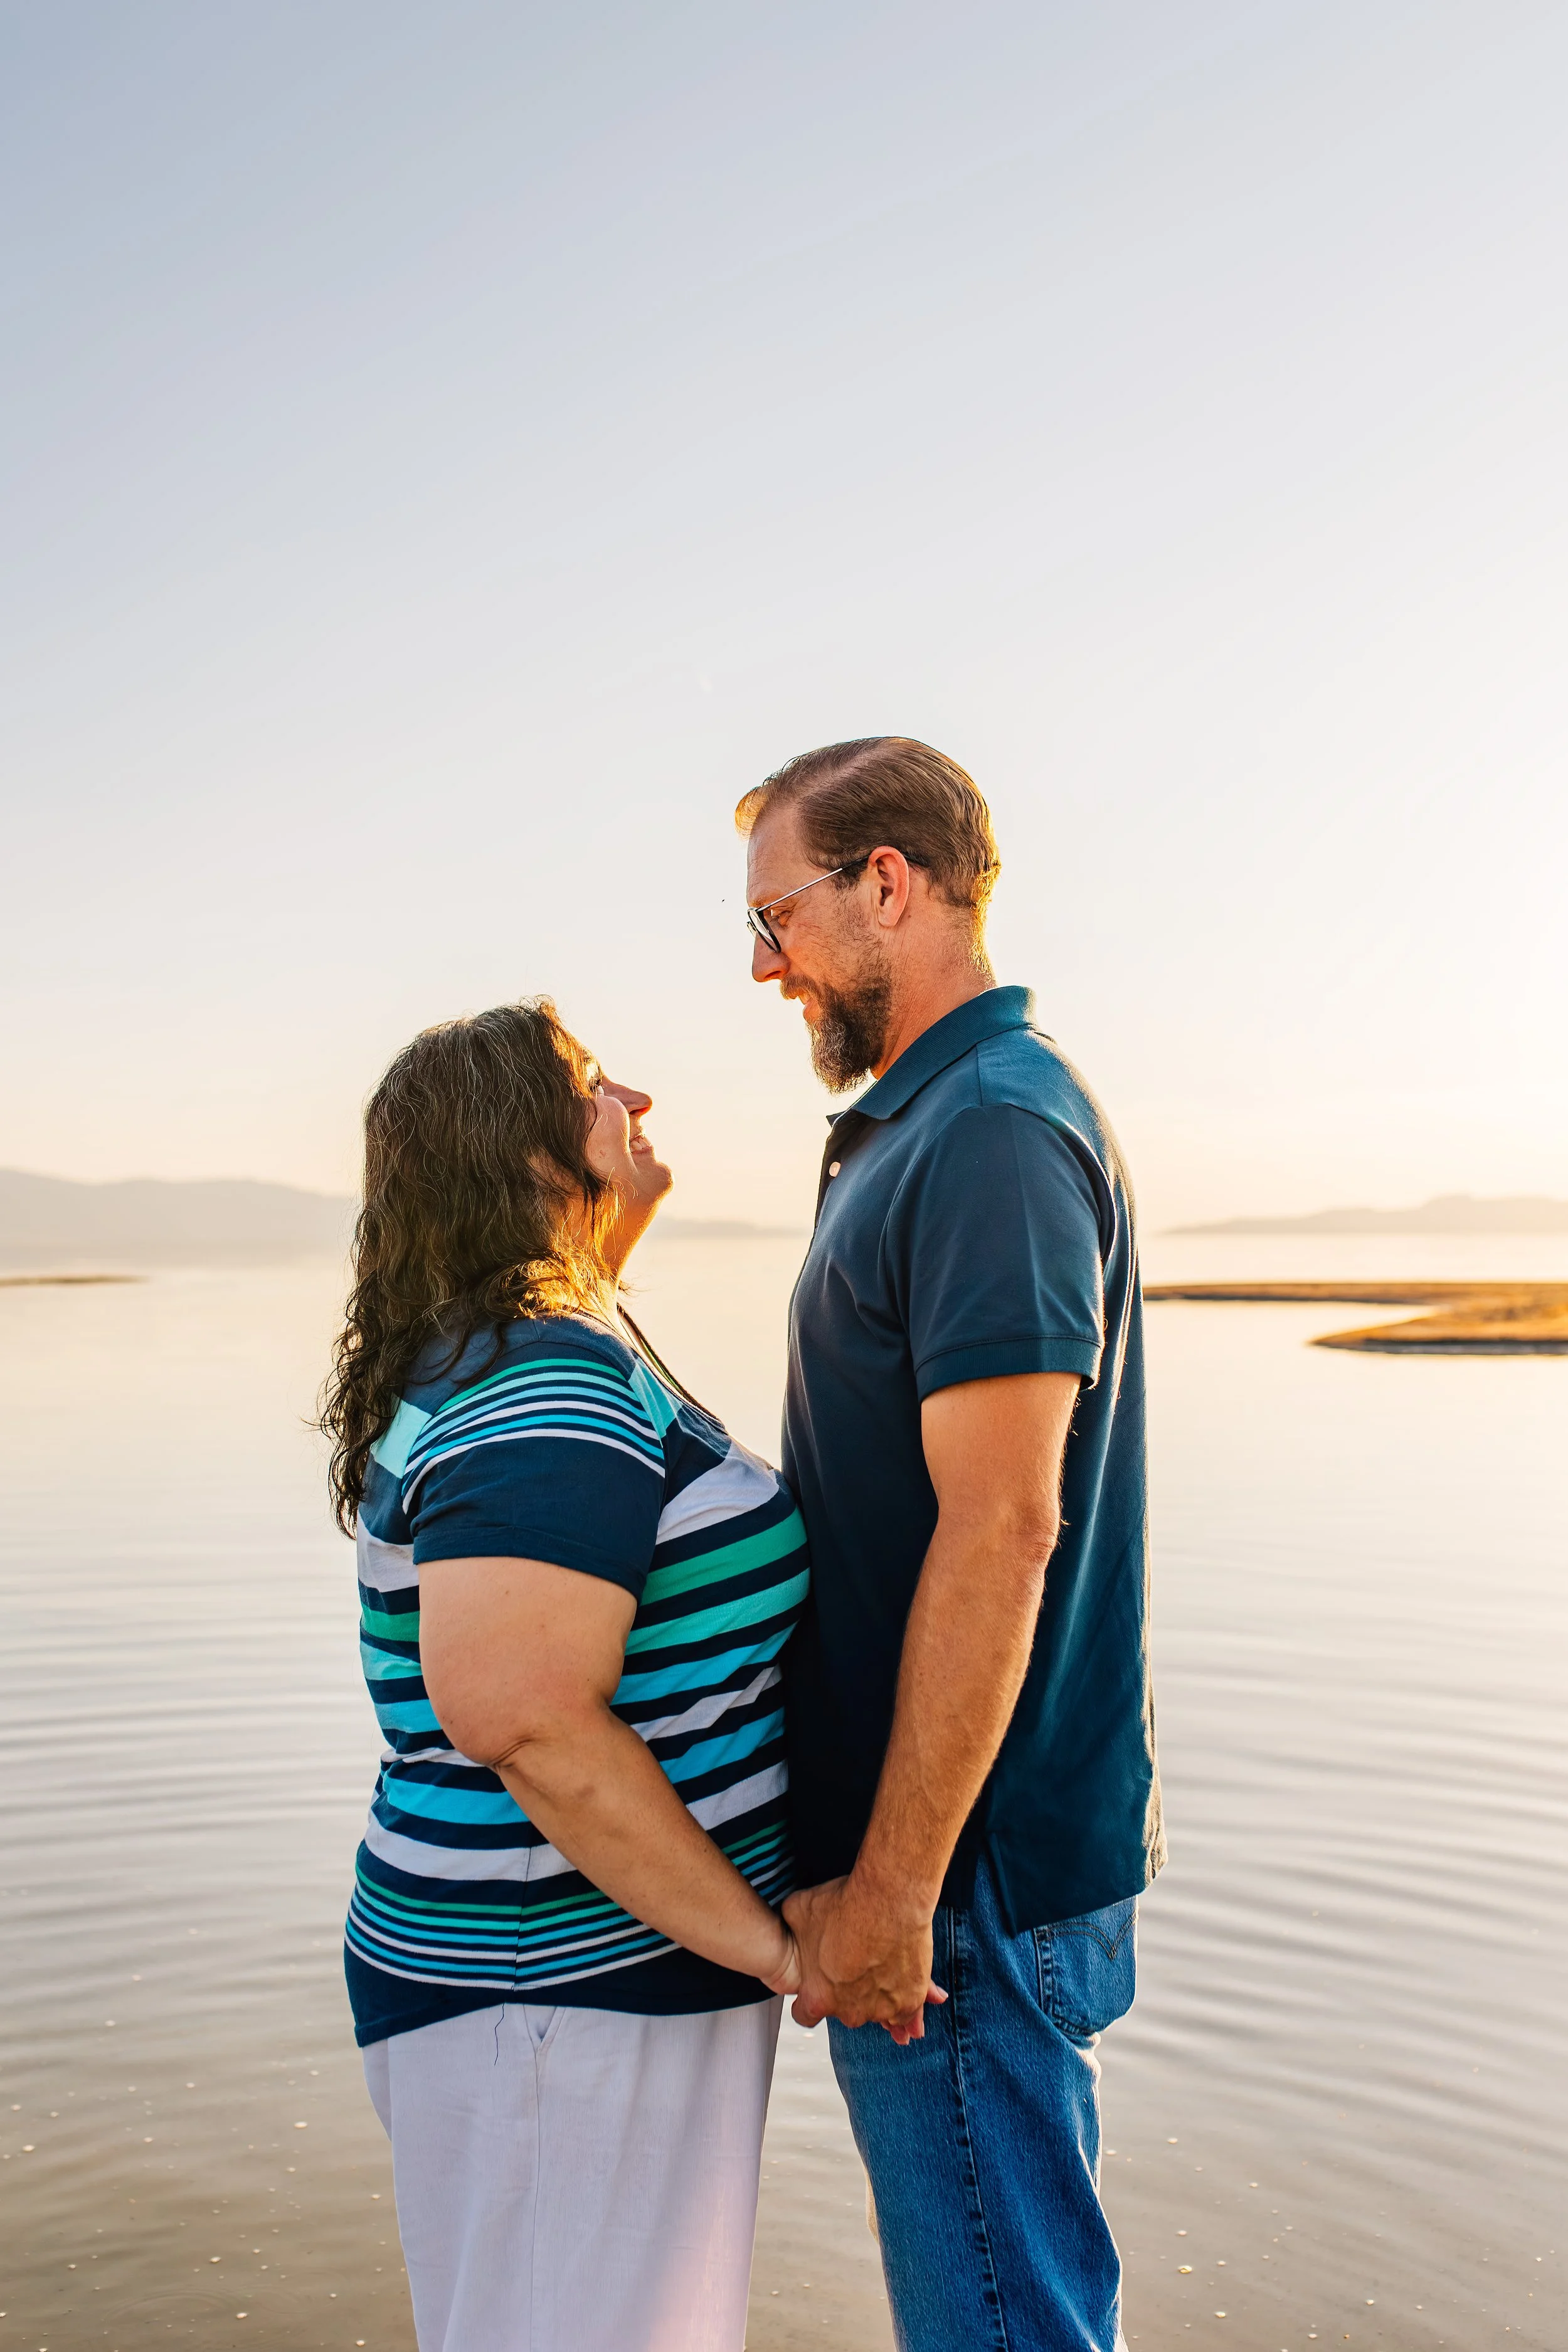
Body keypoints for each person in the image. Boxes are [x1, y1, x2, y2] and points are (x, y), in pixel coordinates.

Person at [738, 737, 1163, 2352]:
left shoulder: (985, 1130)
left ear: (888, 887)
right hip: (947, 1875)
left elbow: (1002, 1527)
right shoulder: (942, 1121)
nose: (765, 966)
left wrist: (898, 1890)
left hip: (961, 1892)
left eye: (777, 916)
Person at [319, 999, 813, 2352]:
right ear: (530, 1154)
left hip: (555, 1986)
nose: (636, 1101)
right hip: (553, 1993)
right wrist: (766, 1944)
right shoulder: (546, 1377)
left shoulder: (515, 1345)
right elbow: (522, 1718)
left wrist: (607, 1225)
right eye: (597, 1087)